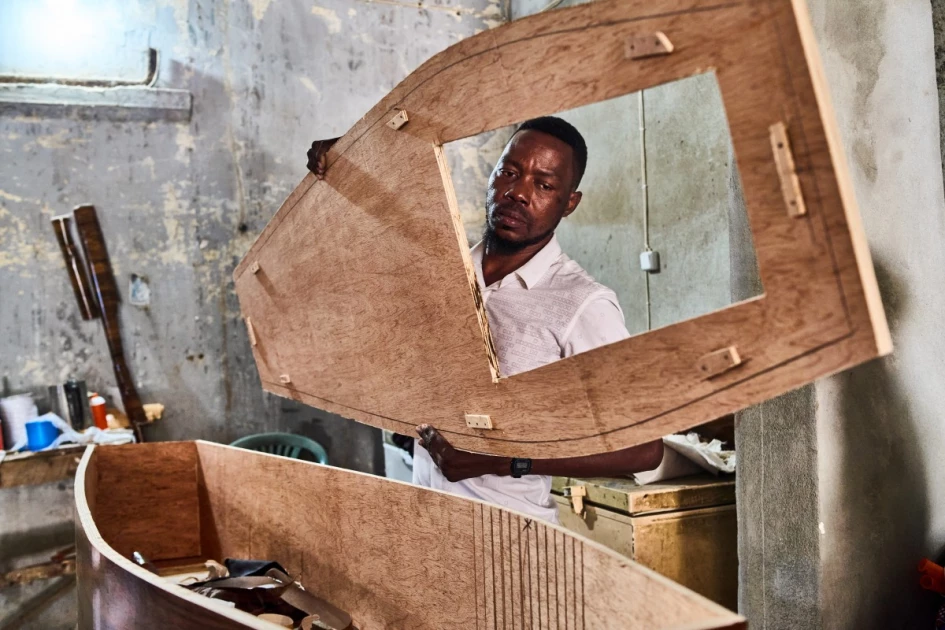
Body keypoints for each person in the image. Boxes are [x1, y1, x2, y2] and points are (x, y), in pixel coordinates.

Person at [307, 117, 663, 523]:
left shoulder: (582, 303)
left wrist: (506, 461)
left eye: (544, 185)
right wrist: (353, 155)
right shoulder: (445, 273)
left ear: (569, 202)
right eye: (509, 173)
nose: (518, 193)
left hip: (511, 538)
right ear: (492, 175)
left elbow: (645, 449)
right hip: (424, 521)